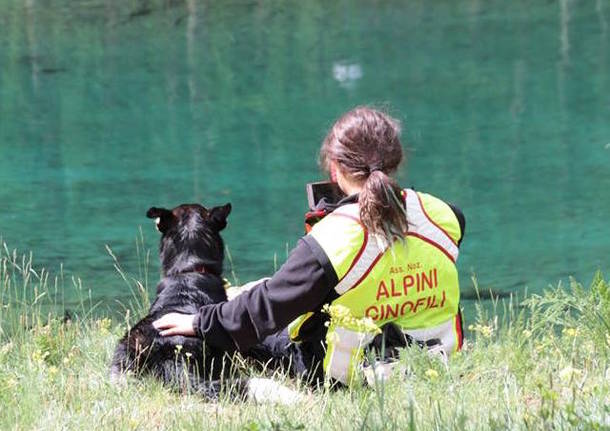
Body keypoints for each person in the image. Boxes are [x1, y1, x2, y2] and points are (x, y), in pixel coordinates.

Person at [153, 106, 465, 386]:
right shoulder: (443, 215)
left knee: (255, 319)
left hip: (349, 372)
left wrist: (197, 321)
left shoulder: (334, 237)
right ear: (396, 161)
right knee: (257, 290)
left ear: (335, 168)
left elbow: (266, 309)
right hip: (434, 361)